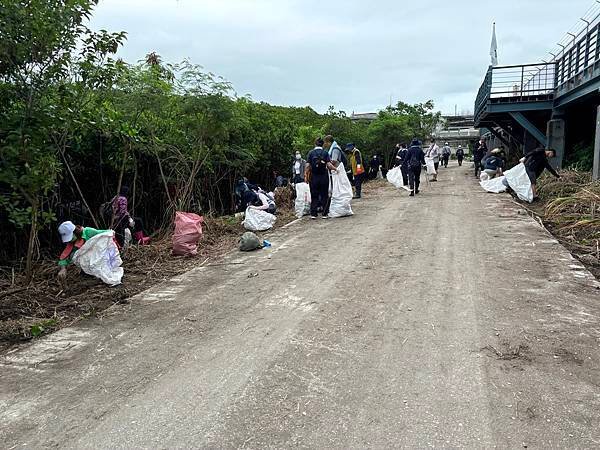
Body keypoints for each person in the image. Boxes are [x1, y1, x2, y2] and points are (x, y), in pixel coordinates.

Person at [306, 137, 337, 219]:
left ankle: (313, 214)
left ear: (315, 143)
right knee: (324, 195)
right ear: (323, 144)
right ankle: (324, 213)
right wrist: (335, 169)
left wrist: (306, 176)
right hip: (324, 177)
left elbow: (307, 166)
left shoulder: (311, 153)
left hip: (314, 177)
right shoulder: (325, 153)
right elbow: (329, 165)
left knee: (314, 195)